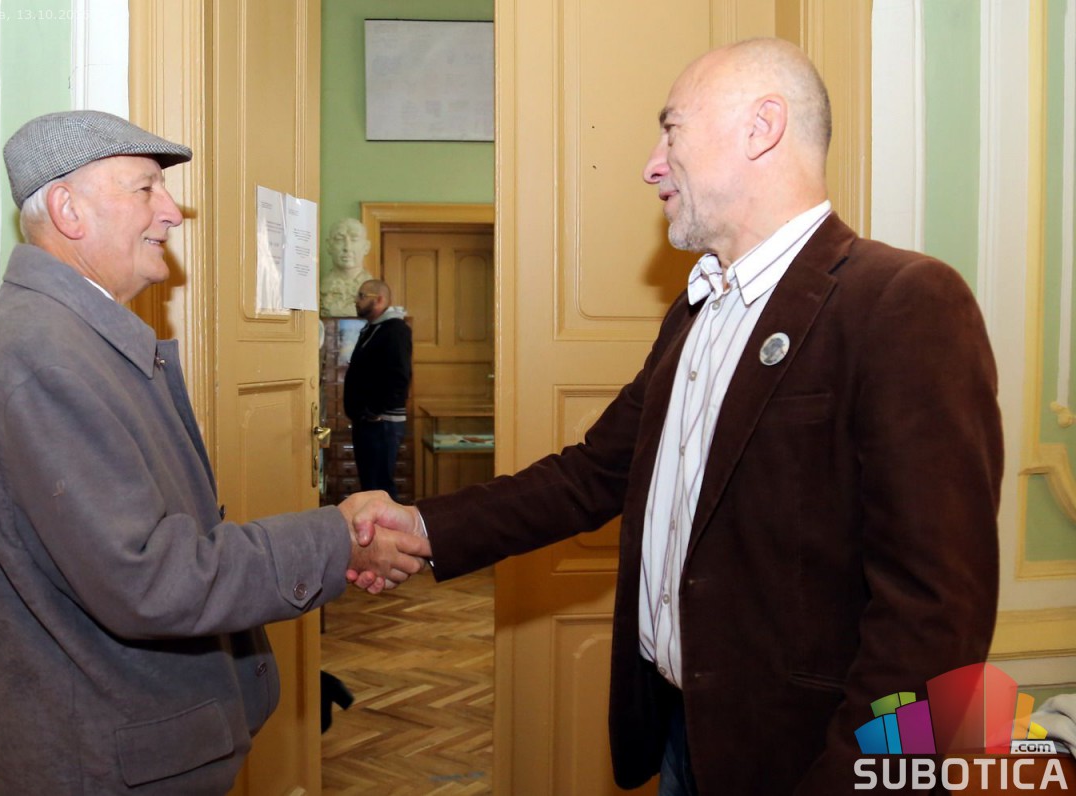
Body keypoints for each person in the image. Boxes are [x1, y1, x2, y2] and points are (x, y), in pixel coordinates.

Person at [349, 37, 1002, 795]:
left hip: (804, 763)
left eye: (672, 131)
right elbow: (589, 477)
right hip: (681, 740)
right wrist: (421, 526)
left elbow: (936, 615)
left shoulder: (903, 301)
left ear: (762, 127)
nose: (651, 166)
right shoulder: (696, 312)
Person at [0, 110, 429, 795]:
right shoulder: (42, 357)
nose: (172, 212)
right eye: (146, 188)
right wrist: (336, 540)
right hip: (101, 768)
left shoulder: (66, 340)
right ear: (68, 210)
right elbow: (152, 579)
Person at [344, 279, 413, 500]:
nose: (357, 300)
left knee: (379, 487)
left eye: (362, 296)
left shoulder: (395, 330)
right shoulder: (373, 328)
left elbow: (399, 377)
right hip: (369, 421)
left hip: (382, 423)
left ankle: (387, 524)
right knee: (370, 485)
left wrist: (374, 411)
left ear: (380, 299)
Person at [319, 217, 374, 317]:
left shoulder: (373, 290)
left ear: (366, 247)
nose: (347, 247)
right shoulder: (319, 289)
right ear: (329, 246)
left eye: (354, 240)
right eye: (339, 240)